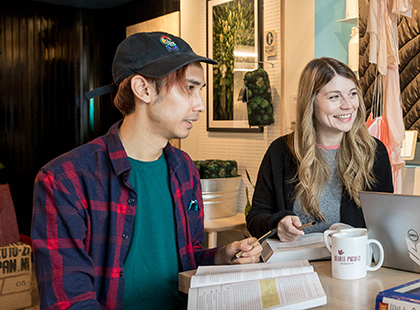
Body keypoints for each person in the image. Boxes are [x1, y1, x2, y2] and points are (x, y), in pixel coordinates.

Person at [31, 32, 262, 310]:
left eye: (199, 90)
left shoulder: (184, 168)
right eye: (189, 88)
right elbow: (68, 301)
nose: (200, 105)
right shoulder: (65, 180)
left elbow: (185, 258)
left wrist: (221, 256)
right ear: (143, 89)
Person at [246, 57, 393, 241]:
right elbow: (256, 217)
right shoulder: (280, 152)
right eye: (334, 97)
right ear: (311, 102)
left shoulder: (374, 152)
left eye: (352, 94)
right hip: (297, 264)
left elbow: (386, 223)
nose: (348, 105)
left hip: (351, 264)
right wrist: (277, 224)